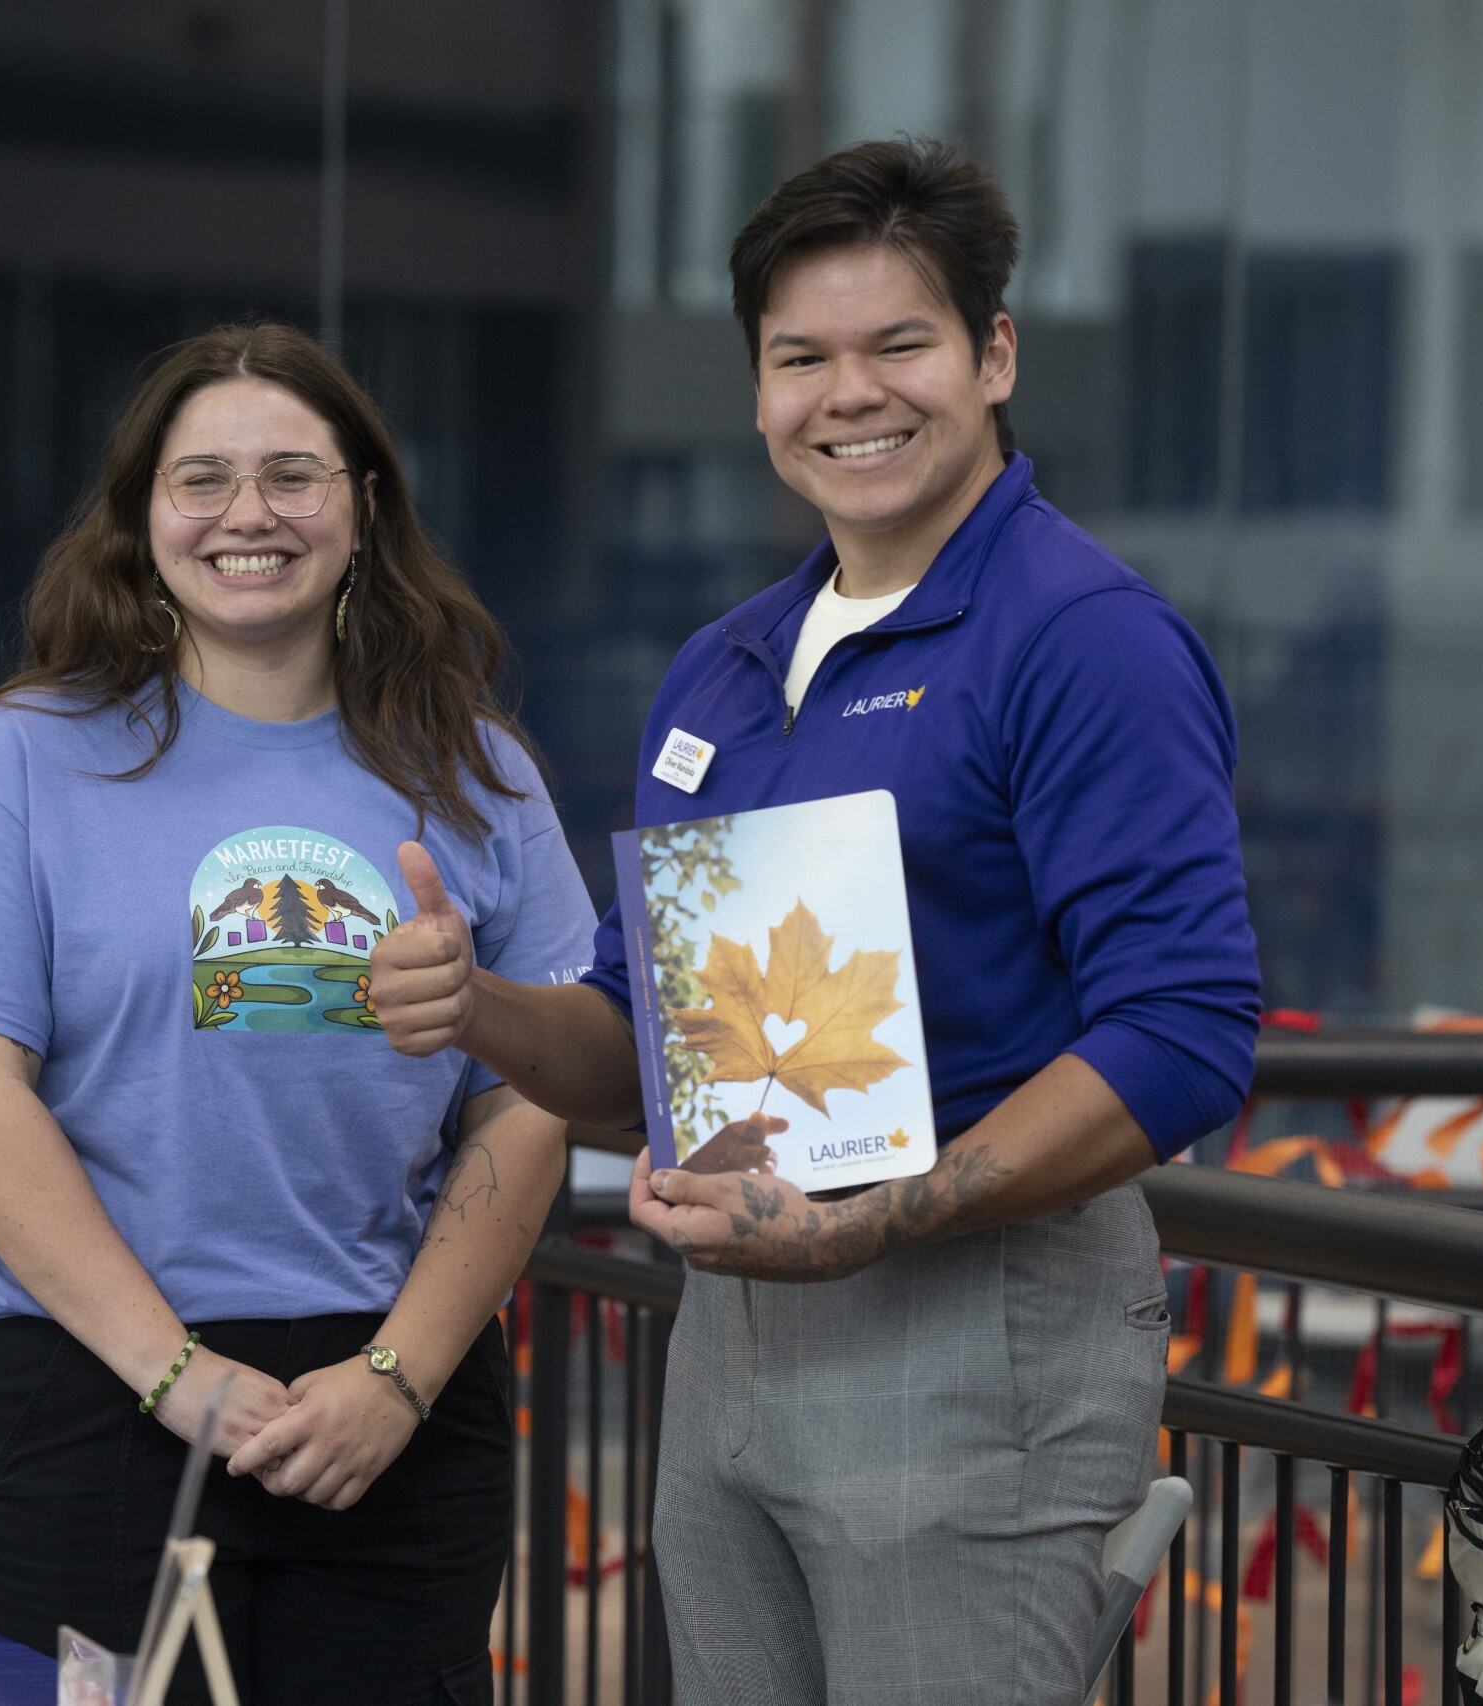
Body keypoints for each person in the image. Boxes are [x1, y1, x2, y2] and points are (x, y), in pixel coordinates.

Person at [368, 137, 1262, 1703]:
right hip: (735, 1328)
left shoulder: (1086, 639)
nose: (849, 393)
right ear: (759, 391)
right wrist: (478, 1005)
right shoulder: (723, 666)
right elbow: (646, 1045)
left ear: (991, 356)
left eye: (898, 344)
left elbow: (1185, 1034)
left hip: (979, 1322)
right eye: (801, 358)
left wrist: (873, 1221)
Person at [0, 321, 595, 1703]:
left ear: (365, 506)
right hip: (87, 1380)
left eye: (292, 474)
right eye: (200, 479)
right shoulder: (23, 755)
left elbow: (536, 1091)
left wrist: (400, 1372)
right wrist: (174, 1373)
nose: (247, 513)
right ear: (144, 516)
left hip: (389, 1390)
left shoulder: (479, 771)